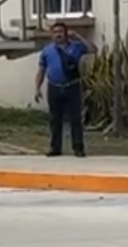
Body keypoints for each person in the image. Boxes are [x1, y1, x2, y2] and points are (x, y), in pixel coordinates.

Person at [34, 22, 95, 157]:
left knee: (75, 119)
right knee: (55, 119)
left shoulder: (76, 47)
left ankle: (78, 147)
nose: (58, 35)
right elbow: (41, 70)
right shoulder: (47, 51)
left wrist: (78, 36)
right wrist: (37, 88)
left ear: (66, 33)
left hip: (72, 87)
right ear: (52, 35)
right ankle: (55, 148)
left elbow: (92, 49)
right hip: (54, 87)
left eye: (61, 32)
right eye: (55, 32)